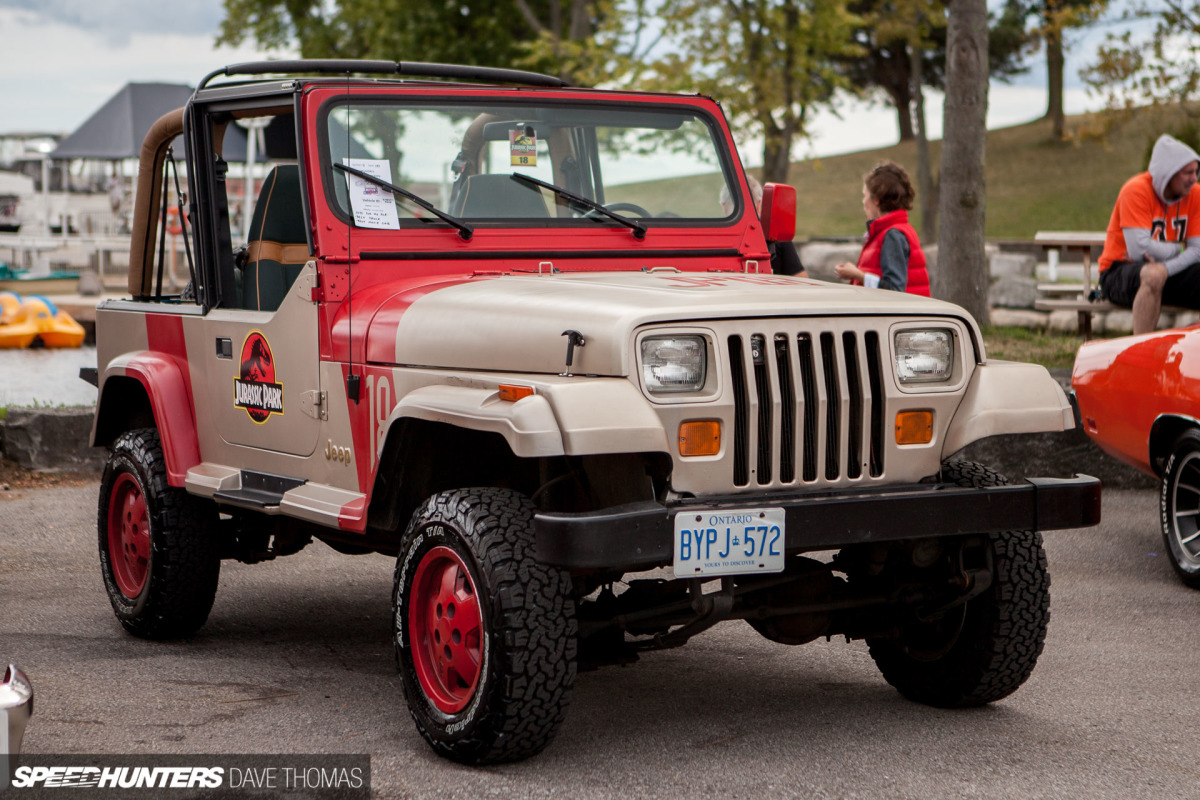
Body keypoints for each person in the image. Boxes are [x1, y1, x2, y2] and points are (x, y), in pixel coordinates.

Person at [1098, 133, 1200, 335]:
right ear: (1168, 173)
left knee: (1157, 272)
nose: (1194, 178)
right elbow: (1139, 251)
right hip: (1119, 271)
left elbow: (1197, 251)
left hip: (1165, 273)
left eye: (1196, 172)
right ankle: (1141, 355)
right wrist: (1178, 248)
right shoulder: (1136, 190)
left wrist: (1165, 264)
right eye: (1187, 173)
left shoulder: (1195, 194)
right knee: (1153, 275)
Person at [834, 162, 930, 295]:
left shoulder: (893, 235)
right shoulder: (896, 230)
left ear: (877, 199)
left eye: (865, 195)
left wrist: (858, 274)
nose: (863, 201)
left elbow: (895, 290)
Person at [721, 176, 807, 277]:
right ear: (760, 204)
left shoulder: (711, 243)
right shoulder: (775, 237)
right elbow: (800, 278)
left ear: (723, 207)